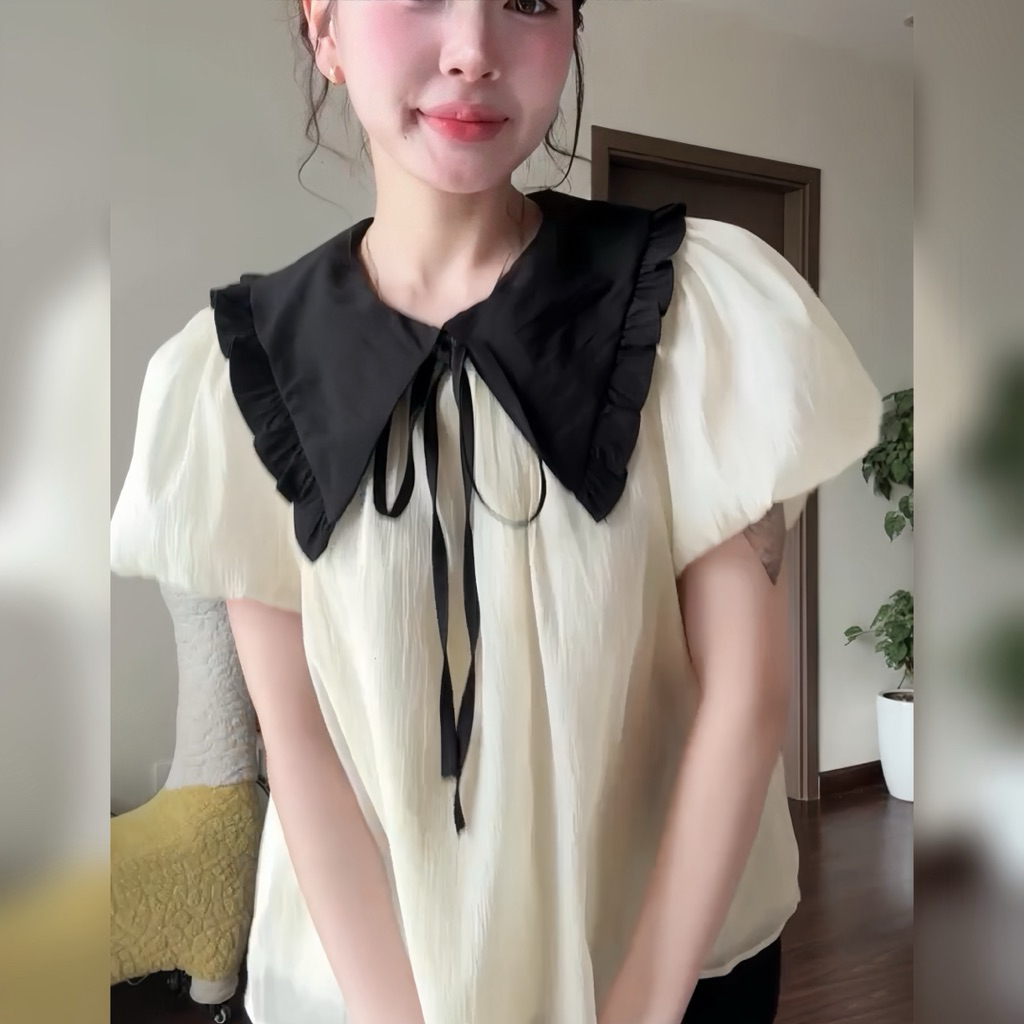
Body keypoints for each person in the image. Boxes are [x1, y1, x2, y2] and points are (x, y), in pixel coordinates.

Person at [110, 2, 882, 1023]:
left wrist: (638, 1006)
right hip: (359, 984)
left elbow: (744, 699)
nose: (474, 50)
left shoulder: (689, 308)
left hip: (673, 972)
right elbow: (299, 746)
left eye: (526, 0)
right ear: (323, 28)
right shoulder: (237, 373)